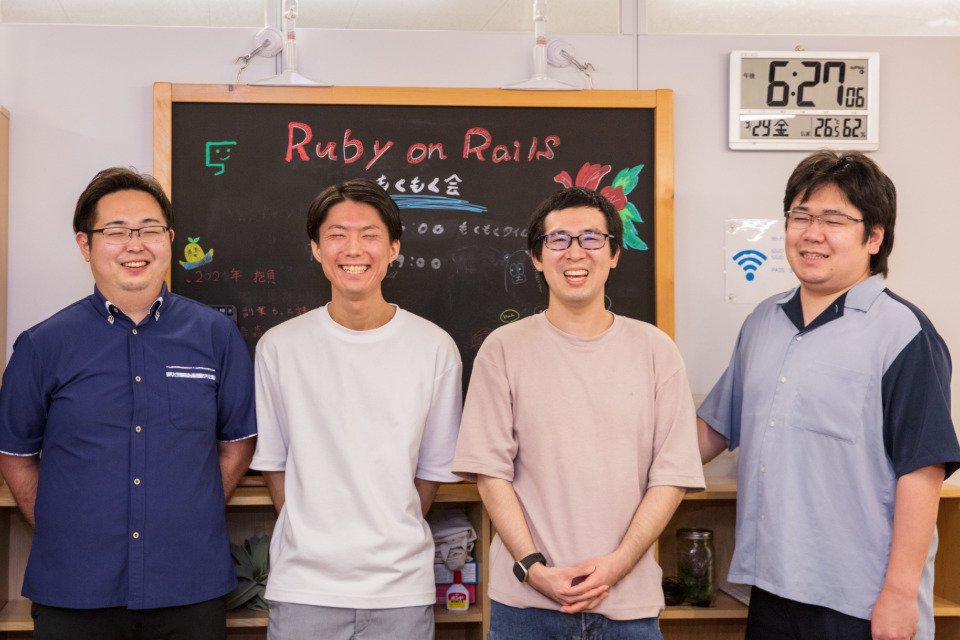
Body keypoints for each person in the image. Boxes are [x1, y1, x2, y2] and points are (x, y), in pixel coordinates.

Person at [697, 150, 960, 640]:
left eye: (834, 220)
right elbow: (714, 429)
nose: (811, 233)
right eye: (801, 216)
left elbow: (923, 471)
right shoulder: (763, 321)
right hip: (771, 585)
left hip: (859, 598)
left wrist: (900, 594)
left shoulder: (905, 333)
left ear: (874, 237)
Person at [0, 167, 257, 639]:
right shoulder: (43, 345)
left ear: (170, 240)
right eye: (116, 231)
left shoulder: (216, 336)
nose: (135, 245)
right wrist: (61, 526)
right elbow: (15, 454)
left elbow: (237, 442)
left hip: (188, 584)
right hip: (73, 588)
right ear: (85, 245)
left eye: (150, 230)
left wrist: (191, 510)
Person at [452, 186, 705, 639]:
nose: (575, 252)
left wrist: (617, 565)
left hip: (628, 608)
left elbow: (671, 475)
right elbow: (491, 472)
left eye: (591, 238)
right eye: (558, 239)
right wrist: (533, 568)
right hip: (526, 607)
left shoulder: (656, 350)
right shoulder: (503, 349)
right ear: (537, 257)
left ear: (614, 253)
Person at [251, 178, 462, 640]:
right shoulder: (279, 348)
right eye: (336, 234)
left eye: (369, 235)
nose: (353, 249)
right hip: (304, 588)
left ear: (393, 248)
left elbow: (432, 470)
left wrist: (386, 535)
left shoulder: (434, 348)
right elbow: (274, 464)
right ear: (315, 248)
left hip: (401, 590)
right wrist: (316, 541)